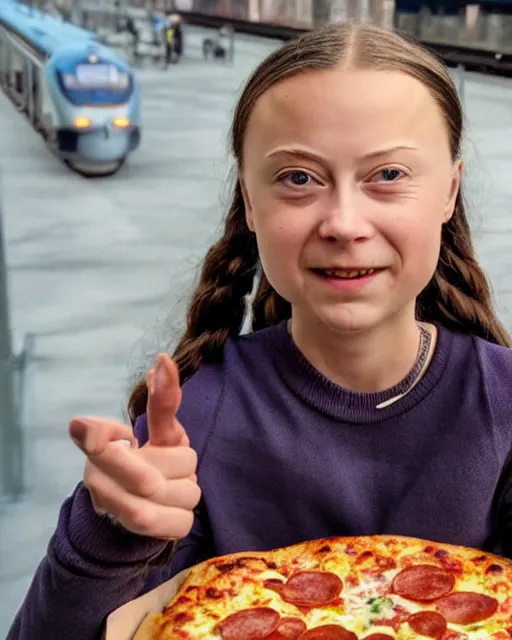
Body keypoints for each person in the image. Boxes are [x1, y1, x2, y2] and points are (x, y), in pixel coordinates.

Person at [8, 20, 512, 640]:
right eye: (298, 178)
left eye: (389, 175)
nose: (344, 223)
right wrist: (108, 533)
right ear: (250, 203)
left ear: (449, 193)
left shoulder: (506, 403)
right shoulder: (196, 421)